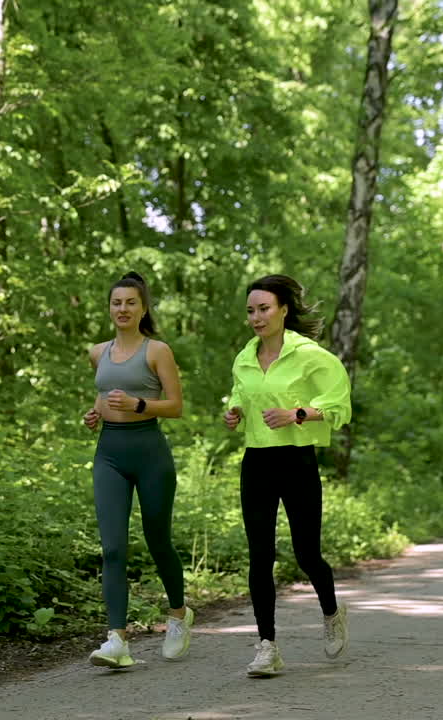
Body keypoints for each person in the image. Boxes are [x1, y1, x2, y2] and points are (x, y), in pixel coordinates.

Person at [222, 274, 352, 677]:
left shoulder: (310, 355)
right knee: (260, 556)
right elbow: (241, 394)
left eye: (263, 309)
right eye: (250, 311)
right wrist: (234, 412)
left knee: (306, 554)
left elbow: (339, 404)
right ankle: (267, 646)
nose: (256, 317)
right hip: (257, 462)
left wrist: (298, 413)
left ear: (283, 310)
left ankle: (331, 612)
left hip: (297, 460)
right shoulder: (244, 356)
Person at [81, 271, 193, 668]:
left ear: (143, 307)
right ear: (109, 308)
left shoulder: (156, 350)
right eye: (116, 303)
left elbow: (176, 407)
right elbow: (101, 394)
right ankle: (116, 639)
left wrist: (139, 405)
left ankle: (179, 615)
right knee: (112, 547)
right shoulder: (98, 352)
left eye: (130, 302)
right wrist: (94, 414)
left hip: (150, 453)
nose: (122, 309)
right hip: (109, 453)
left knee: (157, 540)